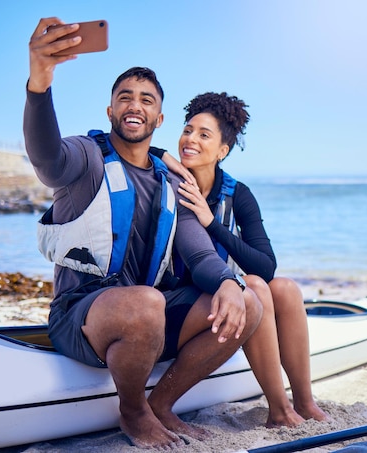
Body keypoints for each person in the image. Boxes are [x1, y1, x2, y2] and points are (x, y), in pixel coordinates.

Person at [24, 18, 262, 449]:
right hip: (80, 315)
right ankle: (132, 412)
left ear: (159, 116)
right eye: (125, 98)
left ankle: (163, 404)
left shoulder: (171, 182)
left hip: (146, 315)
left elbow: (199, 252)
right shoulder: (86, 158)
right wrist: (39, 84)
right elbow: (46, 157)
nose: (135, 105)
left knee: (247, 300)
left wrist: (228, 281)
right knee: (146, 303)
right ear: (111, 110)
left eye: (146, 100)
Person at [155, 92, 329, 427]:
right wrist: (161, 152)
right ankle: (279, 410)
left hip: (221, 302)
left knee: (285, 289)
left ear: (222, 151)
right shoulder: (166, 179)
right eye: (188, 130)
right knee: (253, 288)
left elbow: (266, 266)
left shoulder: (237, 194)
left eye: (204, 135)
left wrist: (212, 223)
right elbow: (135, 150)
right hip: (176, 303)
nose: (190, 139)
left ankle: (304, 402)